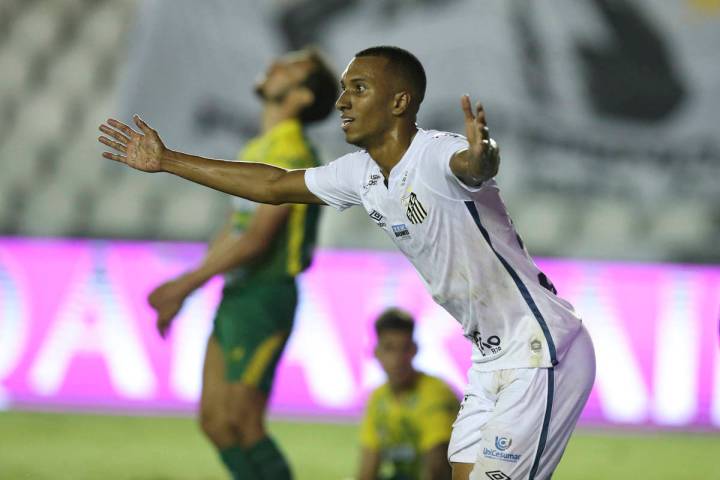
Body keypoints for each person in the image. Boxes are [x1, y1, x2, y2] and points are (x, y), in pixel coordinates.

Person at [99, 45, 596, 480]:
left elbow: (472, 166)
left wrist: (483, 152)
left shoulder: (435, 155)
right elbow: (273, 186)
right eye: (341, 89)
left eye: (358, 88)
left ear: (400, 102)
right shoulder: (362, 174)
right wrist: (167, 161)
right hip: (490, 359)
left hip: (540, 349)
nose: (341, 102)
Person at [139, 48, 338, 480]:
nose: (276, 65)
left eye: (292, 67)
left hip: (266, 296)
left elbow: (257, 239)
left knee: (244, 423)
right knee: (215, 422)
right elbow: (234, 228)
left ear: (302, 96)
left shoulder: (294, 151)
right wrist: (193, 282)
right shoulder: (257, 146)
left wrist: (185, 285)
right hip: (238, 293)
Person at [358, 308, 458, 480]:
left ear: (414, 350)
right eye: (389, 348)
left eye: (404, 349)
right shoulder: (378, 398)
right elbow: (368, 469)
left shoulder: (434, 393)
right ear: (376, 353)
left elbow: (436, 469)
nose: (397, 359)